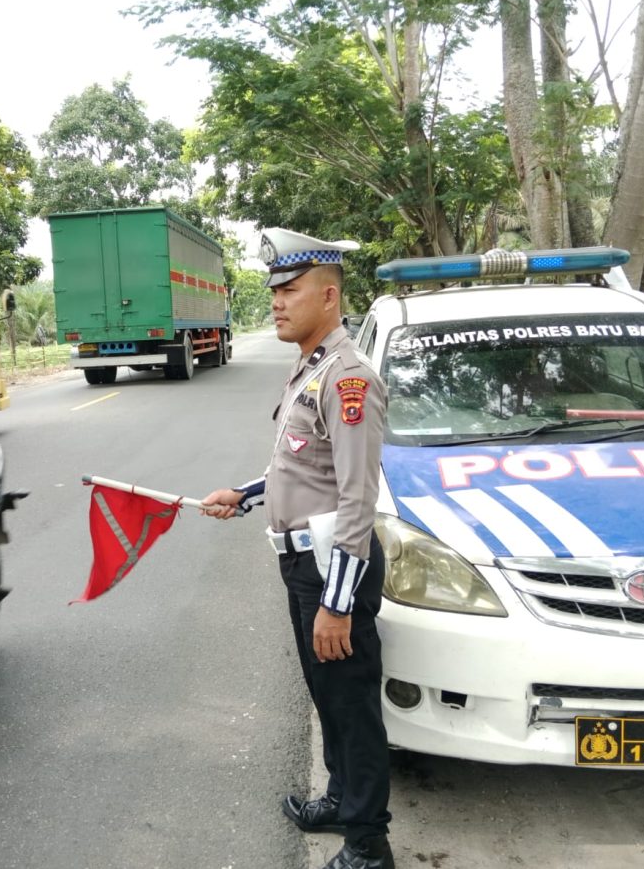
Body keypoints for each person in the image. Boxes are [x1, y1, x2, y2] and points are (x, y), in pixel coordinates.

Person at [202, 229, 393, 869]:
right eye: (274, 290)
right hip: (304, 565)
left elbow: (357, 499)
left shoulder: (348, 381)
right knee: (326, 694)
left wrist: (337, 606)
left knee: (351, 703)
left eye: (289, 290)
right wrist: (246, 492)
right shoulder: (310, 367)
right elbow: (302, 470)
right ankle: (340, 798)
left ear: (329, 295)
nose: (277, 302)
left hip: (334, 570)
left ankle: (368, 844)